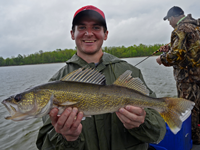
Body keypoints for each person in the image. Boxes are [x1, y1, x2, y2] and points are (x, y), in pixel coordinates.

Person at [36, 5, 166, 150]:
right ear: (72, 34)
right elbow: (45, 145)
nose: (89, 33)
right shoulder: (55, 85)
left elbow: (158, 133)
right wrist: (67, 138)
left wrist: (142, 121)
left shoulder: (129, 71)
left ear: (105, 34)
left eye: (96, 28)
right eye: (82, 27)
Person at [156, 6, 200, 144]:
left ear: (173, 17)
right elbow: (191, 48)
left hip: (188, 79)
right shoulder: (196, 26)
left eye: (169, 20)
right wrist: (171, 47)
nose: (169, 23)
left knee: (188, 109)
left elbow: (176, 56)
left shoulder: (180, 29)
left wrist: (162, 58)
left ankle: (194, 141)